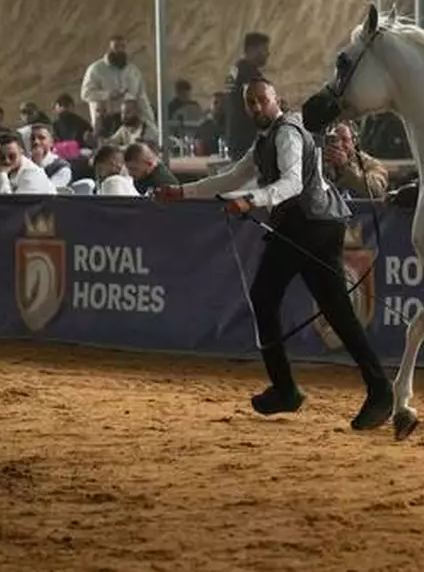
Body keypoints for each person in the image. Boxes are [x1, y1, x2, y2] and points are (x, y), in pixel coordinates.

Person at [155, 76, 393, 430]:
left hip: (316, 226)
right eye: (249, 103)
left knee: (312, 306)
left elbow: (293, 182)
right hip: (300, 225)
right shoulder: (265, 139)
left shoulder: (287, 134)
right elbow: (232, 177)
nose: (254, 107)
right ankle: (295, 388)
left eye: (260, 101)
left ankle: (368, 392)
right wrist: (182, 193)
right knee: (283, 301)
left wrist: (253, 199)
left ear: (275, 99)